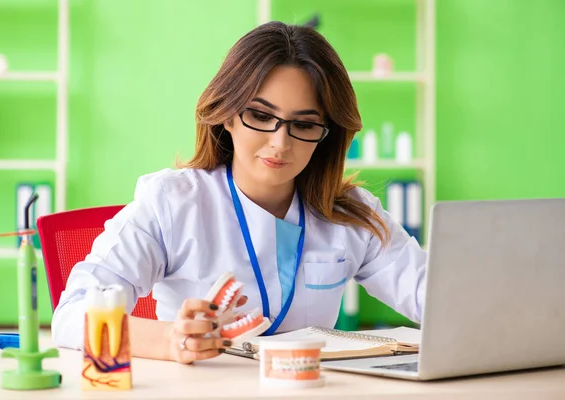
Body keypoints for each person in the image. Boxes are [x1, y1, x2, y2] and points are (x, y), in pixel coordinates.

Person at [52, 21, 427, 365]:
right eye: (261, 116)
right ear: (227, 114)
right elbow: (72, 315)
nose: (280, 143)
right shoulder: (171, 201)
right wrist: (171, 340)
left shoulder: (351, 213)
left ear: (326, 134)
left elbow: (438, 299)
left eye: (304, 124)